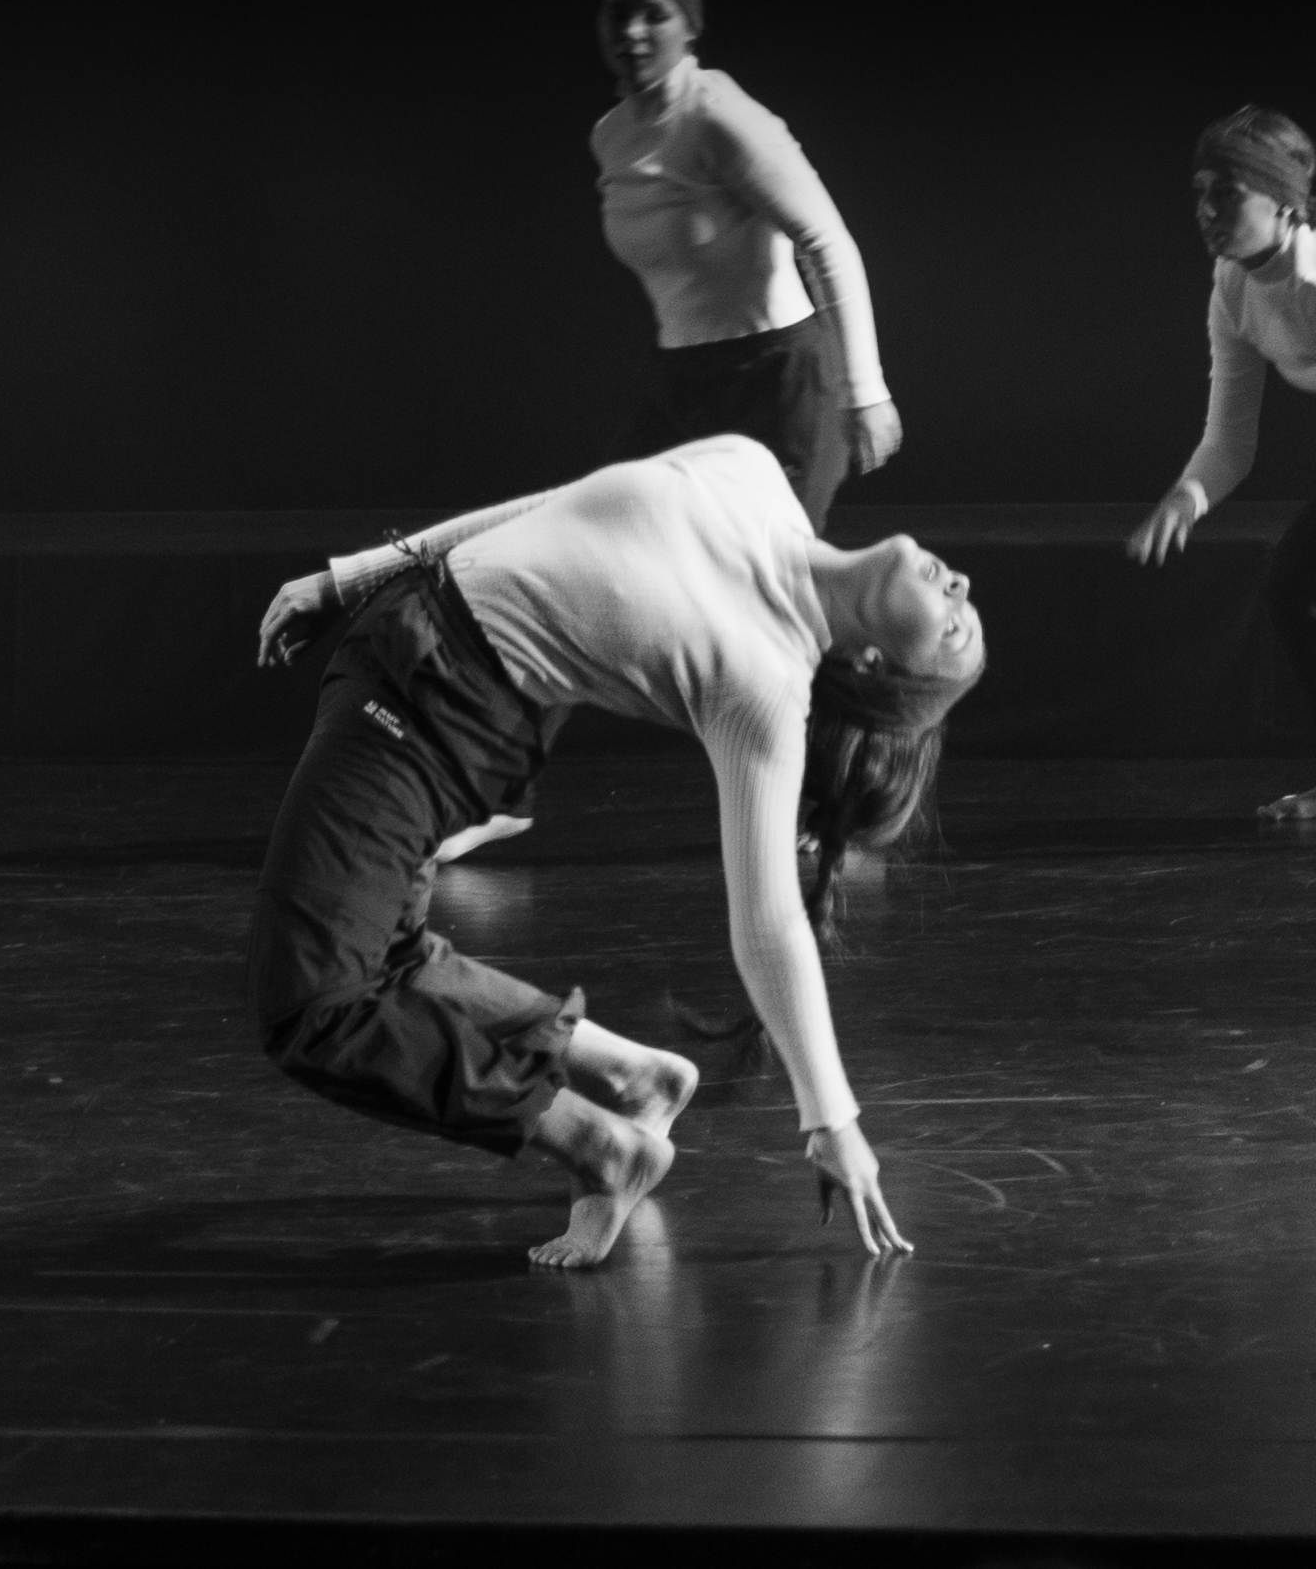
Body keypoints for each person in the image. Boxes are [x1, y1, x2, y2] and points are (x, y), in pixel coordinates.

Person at [252, 434, 984, 1270]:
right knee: (384, 953)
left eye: (953, 629)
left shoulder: (763, 683)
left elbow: (771, 919)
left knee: (311, 1004)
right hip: (403, 637)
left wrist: (832, 1118)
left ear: (874, 662)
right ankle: (634, 1076)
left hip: (433, 710)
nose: (960, 586)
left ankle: (597, 1145)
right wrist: (354, 576)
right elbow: (554, 508)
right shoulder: (749, 469)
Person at [592, 0, 903, 536]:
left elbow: (827, 243)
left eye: (654, 14)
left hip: (778, 379)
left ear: (690, 26)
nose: (632, 32)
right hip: (680, 379)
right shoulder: (611, 136)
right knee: (618, 539)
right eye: (617, 15)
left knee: (772, 569)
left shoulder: (720, 118)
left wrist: (865, 391)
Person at [1125, 105, 1316, 816]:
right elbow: (1231, 437)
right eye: (1200, 193)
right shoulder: (1234, 285)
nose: (1206, 211)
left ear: (1284, 200)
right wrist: (1186, 496)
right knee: (1292, 586)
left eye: (1227, 193)